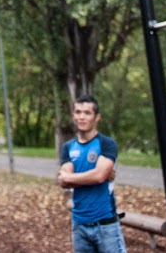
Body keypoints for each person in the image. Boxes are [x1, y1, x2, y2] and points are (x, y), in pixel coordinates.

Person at [58, 94, 127, 253]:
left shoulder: (106, 143)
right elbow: (63, 181)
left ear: (97, 117)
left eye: (87, 113)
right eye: (78, 112)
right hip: (79, 225)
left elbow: (99, 176)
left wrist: (71, 177)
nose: (82, 117)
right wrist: (92, 175)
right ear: (73, 115)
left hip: (105, 225)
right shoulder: (68, 147)